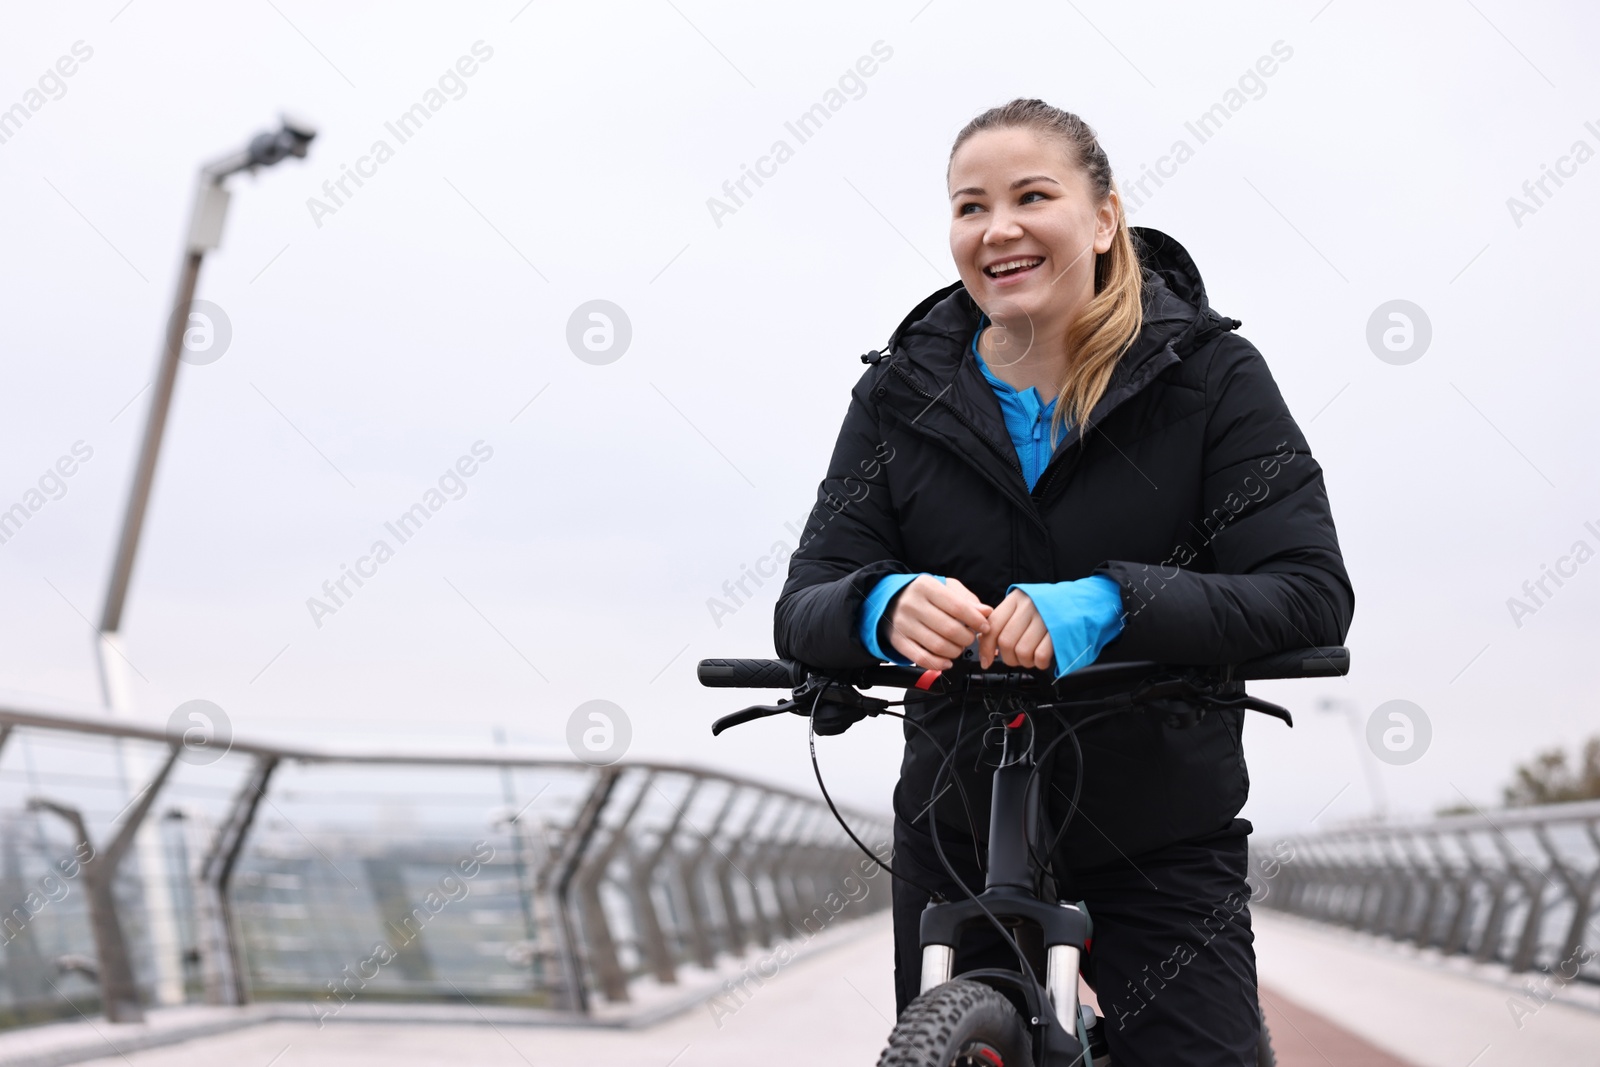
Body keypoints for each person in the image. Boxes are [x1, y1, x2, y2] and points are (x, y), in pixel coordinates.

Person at [772, 98, 1353, 1064]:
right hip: (958, 821)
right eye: (970, 207)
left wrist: (1111, 603)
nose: (997, 229)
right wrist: (880, 606)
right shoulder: (896, 393)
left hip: (1159, 832)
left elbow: (1306, 589)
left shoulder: (1211, 376)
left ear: (1103, 218)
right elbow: (807, 599)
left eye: (1031, 196)